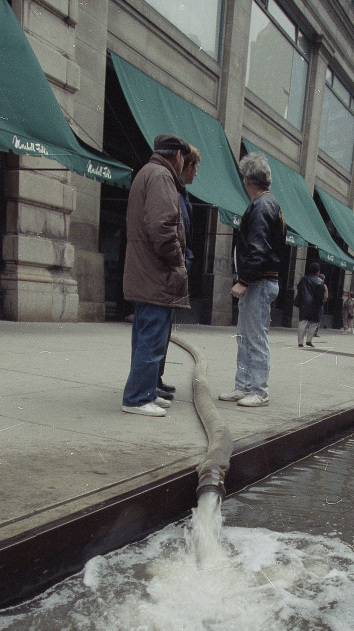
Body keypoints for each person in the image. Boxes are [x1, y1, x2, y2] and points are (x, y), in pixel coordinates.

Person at [122, 132, 191, 417]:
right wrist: (178, 261)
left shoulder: (147, 173)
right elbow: (162, 229)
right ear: (177, 156)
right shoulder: (162, 177)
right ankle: (138, 398)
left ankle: (145, 391)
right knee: (152, 338)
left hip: (144, 273)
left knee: (145, 336)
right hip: (156, 274)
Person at [218, 152, 286, 407]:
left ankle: (258, 389)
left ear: (247, 180)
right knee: (247, 335)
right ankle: (246, 386)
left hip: (258, 281)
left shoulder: (261, 207)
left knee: (254, 336)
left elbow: (258, 246)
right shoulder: (268, 205)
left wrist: (244, 280)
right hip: (261, 280)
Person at [156, 144, 201, 400]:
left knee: (164, 329)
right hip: (167, 272)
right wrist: (179, 262)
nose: (196, 175)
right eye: (196, 168)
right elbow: (168, 231)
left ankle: (156, 378)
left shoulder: (182, 193)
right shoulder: (170, 188)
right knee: (157, 329)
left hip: (175, 271)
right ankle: (149, 382)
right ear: (188, 164)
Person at [295, 262, 327, 347]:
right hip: (315, 305)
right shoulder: (320, 282)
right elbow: (321, 295)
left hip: (304, 303)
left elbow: (299, 288)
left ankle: (300, 342)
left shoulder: (304, 279)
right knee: (314, 323)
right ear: (318, 271)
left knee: (302, 322)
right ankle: (309, 340)